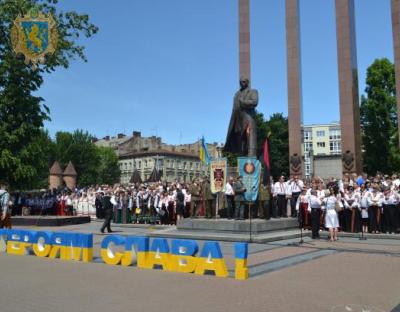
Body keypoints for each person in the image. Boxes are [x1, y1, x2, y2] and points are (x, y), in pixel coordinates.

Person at [224, 77, 259, 156]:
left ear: (247, 82)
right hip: (237, 120)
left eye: (243, 82)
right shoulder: (237, 94)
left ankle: (251, 159)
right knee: (240, 142)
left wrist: (242, 102)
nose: (241, 83)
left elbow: (254, 102)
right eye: (240, 82)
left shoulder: (253, 91)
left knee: (250, 140)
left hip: (248, 119)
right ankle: (242, 158)